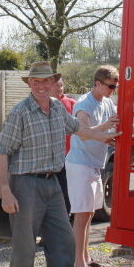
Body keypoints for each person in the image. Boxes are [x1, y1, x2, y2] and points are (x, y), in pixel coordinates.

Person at [0, 61, 118, 267]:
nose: (41, 86)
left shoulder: (59, 108)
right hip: (25, 185)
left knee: (64, 242)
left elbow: (79, 129)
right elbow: (1, 151)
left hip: (53, 183)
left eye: (46, 82)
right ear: (30, 85)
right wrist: (5, 190)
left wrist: (106, 135)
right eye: (36, 82)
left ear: (54, 84)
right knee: (25, 248)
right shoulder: (21, 112)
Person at [65, 65, 119, 267]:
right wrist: (106, 129)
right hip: (80, 164)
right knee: (80, 216)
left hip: (95, 163)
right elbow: (84, 133)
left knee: (88, 215)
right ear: (98, 83)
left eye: (115, 87)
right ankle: (77, 266)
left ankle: (86, 258)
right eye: (110, 86)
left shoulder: (107, 102)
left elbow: (114, 125)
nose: (113, 91)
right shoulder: (83, 104)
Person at [50, 77, 76, 214]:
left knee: (65, 190)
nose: (59, 89)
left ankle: (66, 216)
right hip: (49, 158)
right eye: (56, 86)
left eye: (61, 86)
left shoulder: (71, 103)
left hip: (67, 156)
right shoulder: (44, 104)